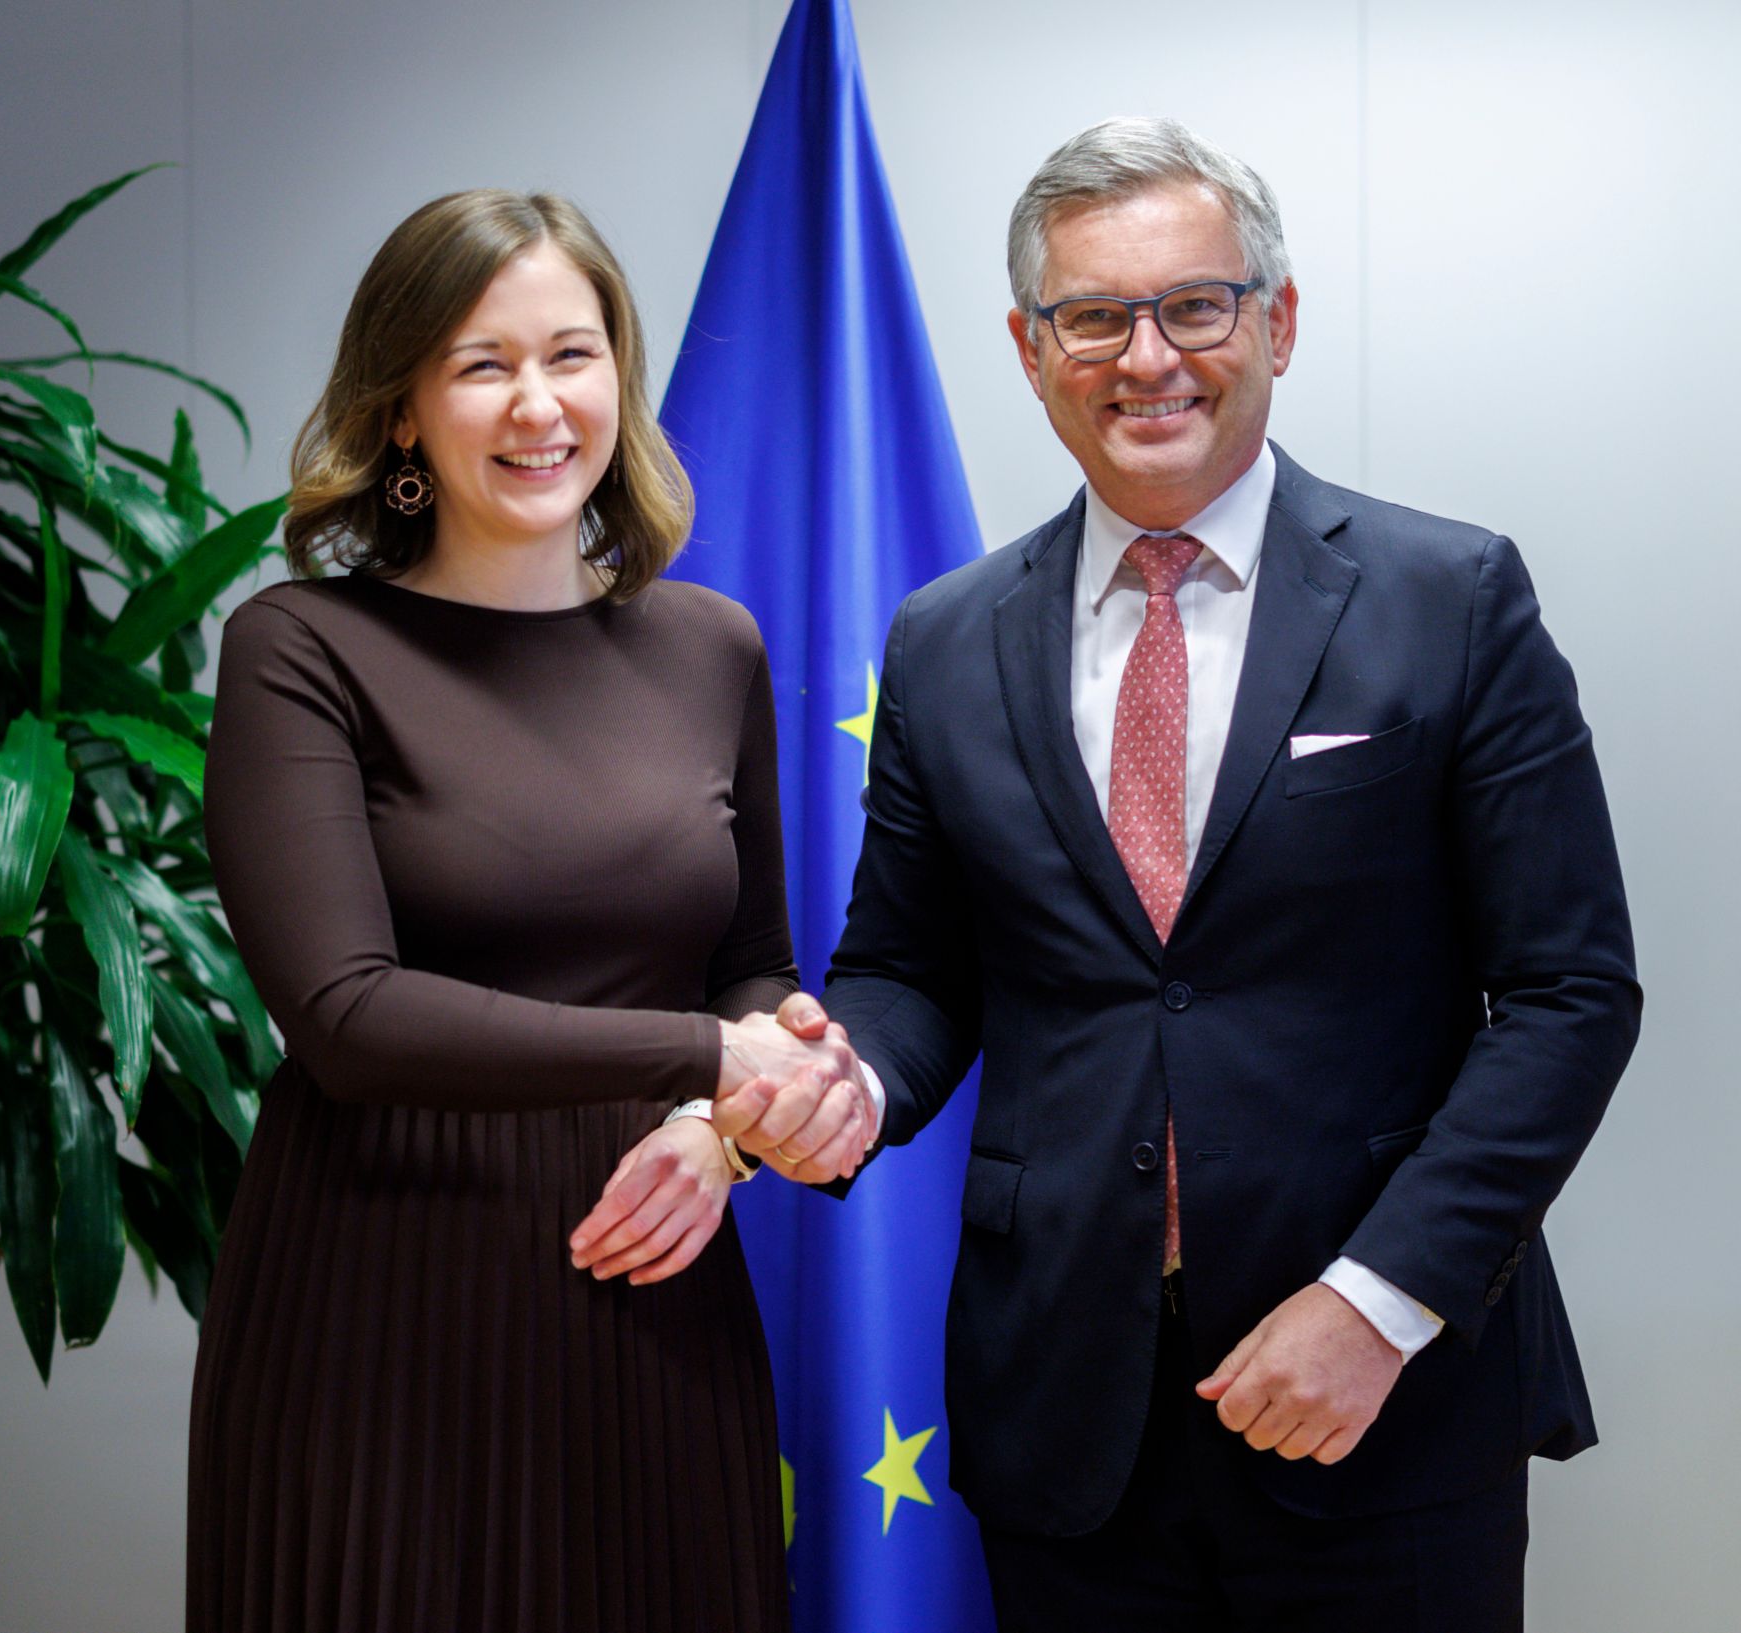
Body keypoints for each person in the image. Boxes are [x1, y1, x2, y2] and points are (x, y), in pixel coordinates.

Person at [721, 119, 1641, 1629]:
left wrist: (1378, 1298)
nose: (1147, 355)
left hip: (1377, 1395)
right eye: (1094, 316)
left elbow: (1568, 993)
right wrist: (855, 1087)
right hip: (1065, 1413)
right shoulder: (944, 638)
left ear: (1276, 320)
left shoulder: (1451, 597)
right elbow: (910, 966)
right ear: (1031, 351)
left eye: (1194, 305)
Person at [190, 189, 869, 1633]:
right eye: (481, 362)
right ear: (399, 414)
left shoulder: (710, 644)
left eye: (573, 352)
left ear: (620, 373)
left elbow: (752, 967)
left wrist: (729, 1125)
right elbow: (347, 1017)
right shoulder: (300, 647)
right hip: (380, 1311)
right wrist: (699, 1059)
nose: (538, 403)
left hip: (658, 1291)